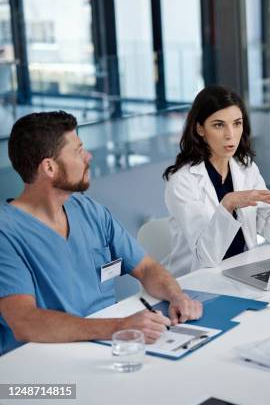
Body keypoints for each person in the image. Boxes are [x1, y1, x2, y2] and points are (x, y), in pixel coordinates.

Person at [0, 111, 203, 356]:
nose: (89, 156)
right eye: (78, 150)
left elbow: (147, 268)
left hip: (107, 346)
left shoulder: (90, 211)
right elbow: (25, 322)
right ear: (49, 167)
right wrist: (119, 326)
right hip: (42, 361)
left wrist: (177, 296)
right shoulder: (6, 232)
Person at [163, 86, 270, 273]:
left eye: (237, 123)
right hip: (199, 280)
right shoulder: (182, 181)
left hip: (242, 271)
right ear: (200, 129)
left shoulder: (245, 167)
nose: (230, 134)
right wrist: (229, 204)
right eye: (219, 125)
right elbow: (206, 257)